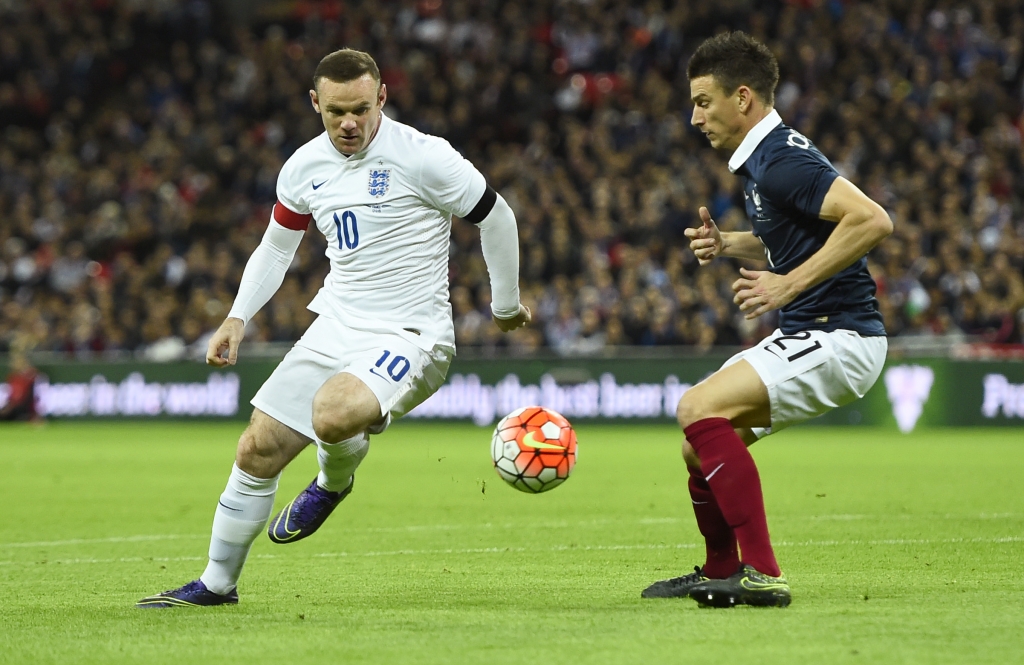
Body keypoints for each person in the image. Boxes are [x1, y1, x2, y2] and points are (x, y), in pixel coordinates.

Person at [137, 49, 530, 608]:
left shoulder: (425, 157)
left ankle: (332, 483)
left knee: (335, 413)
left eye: (362, 110)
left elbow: (496, 215)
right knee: (256, 448)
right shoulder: (302, 167)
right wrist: (236, 317)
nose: (350, 123)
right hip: (336, 323)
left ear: (382, 100)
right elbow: (277, 246)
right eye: (336, 111)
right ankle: (216, 586)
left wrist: (504, 304)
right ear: (315, 103)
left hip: (412, 333)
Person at [641, 32, 891, 608]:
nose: (694, 116)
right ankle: (720, 568)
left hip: (841, 334)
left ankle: (763, 572)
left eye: (704, 101)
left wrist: (790, 284)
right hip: (814, 329)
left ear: (744, 98)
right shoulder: (763, 161)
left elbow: (872, 220)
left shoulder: (781, 161)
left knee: (696, 409)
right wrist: (731, 245)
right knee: (696, 445)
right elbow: (798, 239)